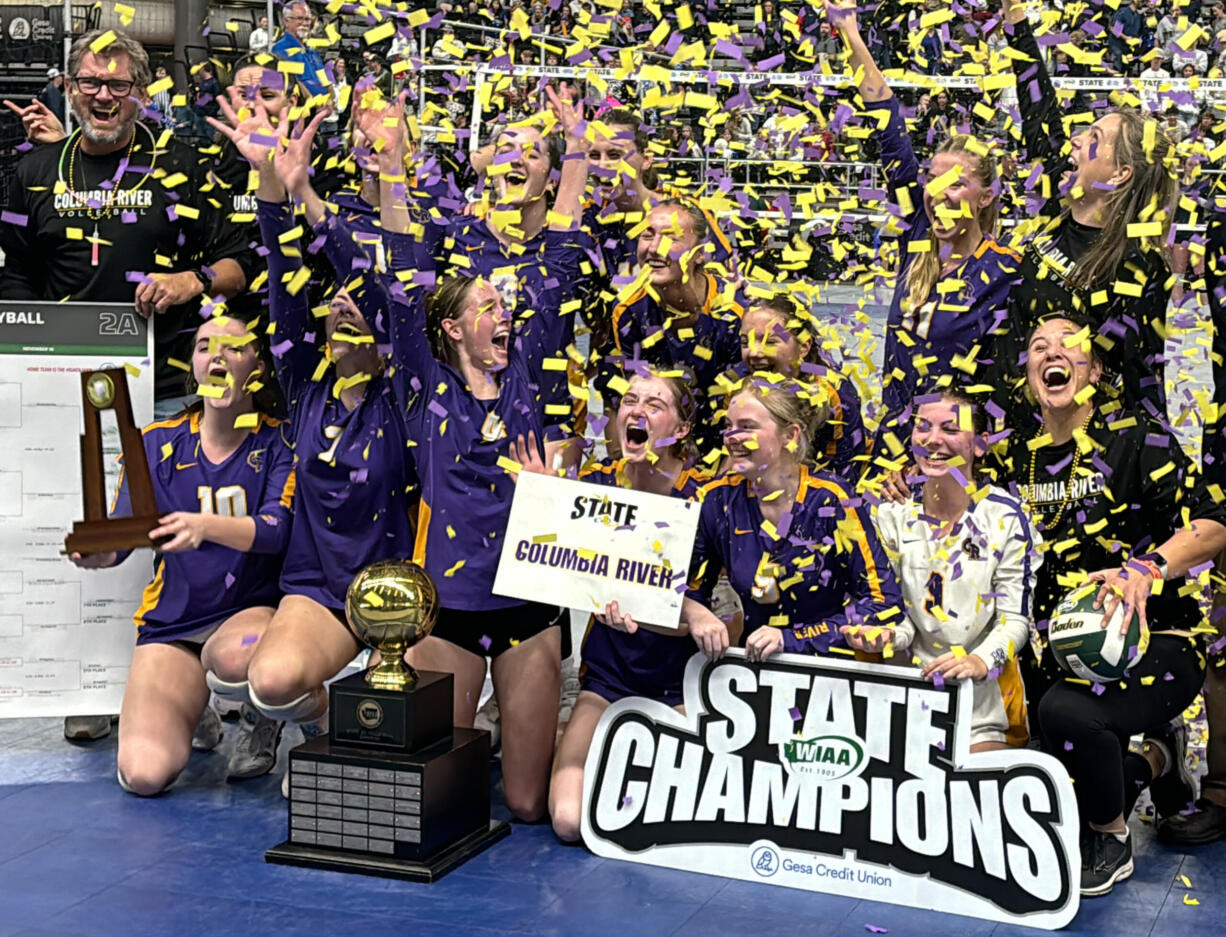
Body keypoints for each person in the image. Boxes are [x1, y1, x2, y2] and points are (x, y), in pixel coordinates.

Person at [333, 96, 589, 821]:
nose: (502, 312)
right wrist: (390, 172)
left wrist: (573, 149)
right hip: (447, 609)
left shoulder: (529, 372)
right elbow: (406, 260)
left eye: (505, 305)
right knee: (446, 795)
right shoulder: (423, 381)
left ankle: (572, 727)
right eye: (485, 305)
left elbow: (565, 249)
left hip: (528, 607)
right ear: (449, 325)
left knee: (527, 804)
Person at [0, 29, 255, 739]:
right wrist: (32, 334)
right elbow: (13, 265)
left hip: (170, 383)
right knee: (89, 532)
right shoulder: (34, 170)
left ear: (141, 91)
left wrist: (190, 280)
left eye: (118, 84)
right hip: (66, 386)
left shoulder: (186, 163)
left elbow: (241, 263)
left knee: (178, 538)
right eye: (90, 82)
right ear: (70, 87)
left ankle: (197, 685)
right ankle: (92, 677)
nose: (103, 95)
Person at [212, 97, 420, 795]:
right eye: (335, 299)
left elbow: (396, 293)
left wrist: (307, 194)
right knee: (266, 680)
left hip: (409, 595)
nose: (341, 304)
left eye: (356, 300)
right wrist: (270, 178)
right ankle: (328, 723)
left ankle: (377, 710)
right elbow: (280, 267)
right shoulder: (304, 379)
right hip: (322, 590)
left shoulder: (410, 394)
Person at [992, 316, 1226, 895]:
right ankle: (1157, 758)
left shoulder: (1137, 438)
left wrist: (1146, 570)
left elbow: (1214, 525)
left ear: (1094, 371)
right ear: (1027, 374)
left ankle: (1112, 834)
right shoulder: (1013, 456)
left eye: (1070, 346)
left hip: (1159, 642)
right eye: (1037, 346)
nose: (1053, 353)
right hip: (1057, 650)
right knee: (1048, 789)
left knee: (1070, 717)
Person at [67, 314, 295, 794]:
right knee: (143, 775)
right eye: (205, 345)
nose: (217, 355)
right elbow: (130, 534)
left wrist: (205, 526)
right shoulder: (155, 441)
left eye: (234, 347)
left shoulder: (281, 439)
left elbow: (277, 531)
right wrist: (101, 554)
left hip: (252, 618)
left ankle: (262, 714)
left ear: (259, 366)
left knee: (233, 659)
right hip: (175, 622)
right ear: (192, 367)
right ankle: (194, 710)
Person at [823, 0, 1018, 447]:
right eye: (932, 180)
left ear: (986, 196)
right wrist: (851, 34)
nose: (937, 192)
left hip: (957, 452)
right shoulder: (918, 237)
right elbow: (887, 124)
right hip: (893, 444)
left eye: (956, 184)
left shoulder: (1005, 271)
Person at [538, 371, 708, 842]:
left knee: (673, 822)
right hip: (609, 679)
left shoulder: (709, 497)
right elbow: (539, 556)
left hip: (684, 685)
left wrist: (685, 613)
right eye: (629, 400)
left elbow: (727, 624)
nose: (637, 410)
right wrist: (537, 497)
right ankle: (568, 737)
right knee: (569, 820)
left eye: (655, 405)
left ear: (682, 427)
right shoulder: (592, 486)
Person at [995, 0, 1178, 421]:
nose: (1075, 141)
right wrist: (1015, 19)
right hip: (1015, 435)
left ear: (1119, 175)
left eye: (1093, 137)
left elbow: (1141, 381)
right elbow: (1039, 114)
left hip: (1081, 456)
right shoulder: (1057, 204)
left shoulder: (1138, 264)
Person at [864, 388, 1041, 751]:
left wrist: (980, 660)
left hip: (983, 708)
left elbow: (1015, 620)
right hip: (903, 702)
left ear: (980, 444)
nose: (933, 440)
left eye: (950, 429)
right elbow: (899, 615)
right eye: (923, 427)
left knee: (967, 796)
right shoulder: (888, 516)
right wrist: (886, 636)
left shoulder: (1007, 518)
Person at [682, 376, 903, 662]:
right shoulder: (715, 499)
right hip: (752, 667)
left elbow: (883, 601)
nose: (731, 438)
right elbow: (681, 589)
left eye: (746, 427)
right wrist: (694, 611)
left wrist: (793, 640)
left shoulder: (832, 499)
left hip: (826, 670)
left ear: (790, 435)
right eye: (728, 427)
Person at [602, 199, 748, 464]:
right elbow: (617, 397)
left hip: (732, 447)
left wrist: (720, 484)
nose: (655, 248)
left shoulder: (735, 311)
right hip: (664, 448)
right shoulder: (627, 311)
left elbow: (753, 414)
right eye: (648, 235)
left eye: (671, 237)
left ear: (700, 253)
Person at [725, 291, 865, 480]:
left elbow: (846, 472)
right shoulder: (737, 387)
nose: (754, 353)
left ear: (804, 347)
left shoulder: (834, 394)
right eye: (745, 342)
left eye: (770, 342)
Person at [273, 1, 330, 98]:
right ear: (286, 21)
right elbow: (294, 81)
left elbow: (323, 77)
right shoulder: (282, 48)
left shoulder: (311, 51)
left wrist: (331, 98)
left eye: (307, 19)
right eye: (299, 18)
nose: (305, 23)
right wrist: (313, 104)